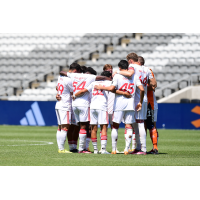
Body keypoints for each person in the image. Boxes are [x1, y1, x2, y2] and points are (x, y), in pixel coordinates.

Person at [95, 60, 144, 155]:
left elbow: (112, 89)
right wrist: (140, 102)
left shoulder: (117, 76)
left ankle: (114, 149)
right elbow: (142, 89)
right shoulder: (135, 76)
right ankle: (126, 149)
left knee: (115, 126)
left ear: (120, 68)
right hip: (130, 104)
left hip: (119, 104)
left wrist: (101, 87)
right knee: (129, 126)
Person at [59, 67, 111, 153]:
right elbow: (104, 80)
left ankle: (89, 149)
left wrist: (74, 95)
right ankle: (82, 148)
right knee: (87, 127)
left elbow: (62, 72)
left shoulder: (75, 76)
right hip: (87, 104)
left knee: (80, 126)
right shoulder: (92, 78)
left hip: (75, 103)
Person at [113, 53, 156, 155]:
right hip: (144, 97)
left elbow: (129, 74)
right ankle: (138, 147)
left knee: (140, 124)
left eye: (128, 62)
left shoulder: (132, 66)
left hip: (137, 99)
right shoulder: (147, 69)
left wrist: (117, 72)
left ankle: (143, 149)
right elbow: (154, 84)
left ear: (130, 61)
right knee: (136, 124)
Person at [55, 63, 80, 153]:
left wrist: (58, 94)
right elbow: (73, 92)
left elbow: (57, 87)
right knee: (65, 128)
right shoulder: (69, 80)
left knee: (60, 128)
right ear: (75, 71)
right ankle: (61, 149)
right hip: (65, 105)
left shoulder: (60, 77)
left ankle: (60, 148)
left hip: (58, 104)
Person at [146, 67, 159, 154]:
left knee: (152, 125)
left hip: (150, 103)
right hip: (140, 102)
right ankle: (140, 147)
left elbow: (153, 86)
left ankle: (155, 147)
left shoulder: (148, 70)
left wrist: (140, 86)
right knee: (140, 125)